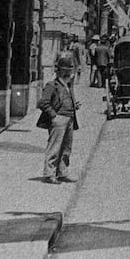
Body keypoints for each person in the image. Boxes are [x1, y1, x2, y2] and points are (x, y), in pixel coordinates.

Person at [37, 53, 80, 184]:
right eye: (66, 70)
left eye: (70, 70)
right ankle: (49, 174)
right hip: (59, 119)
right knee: (54, 148)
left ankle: (62, 173)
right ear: (60, 71)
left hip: (70, 119)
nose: (68, 73)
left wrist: (74, 105)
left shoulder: (68, 85)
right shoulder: (52, 85)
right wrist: (53, 116)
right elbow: (43, 103)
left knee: (66, 149)